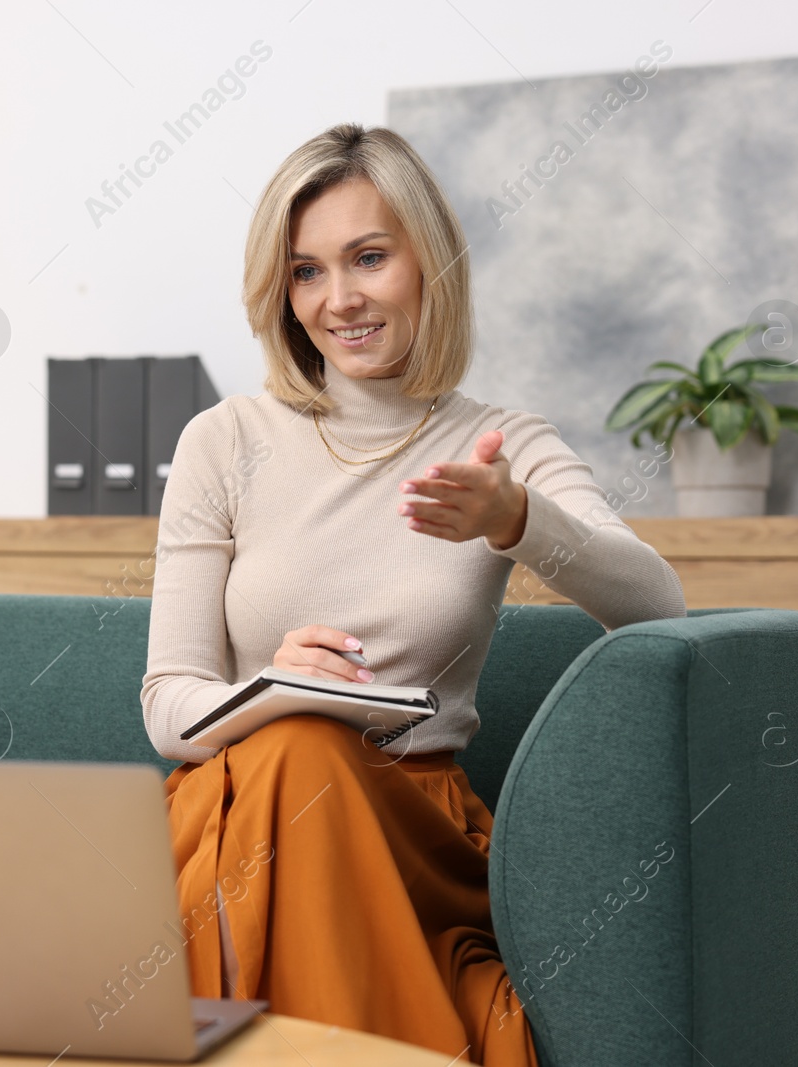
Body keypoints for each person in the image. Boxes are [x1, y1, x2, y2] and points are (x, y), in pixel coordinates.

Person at [139, 122, 687, 1064]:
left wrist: (517, 517)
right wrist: (272, 685)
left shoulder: (500, 442)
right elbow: (168, 708)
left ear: (429, 262)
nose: (338, 299)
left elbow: (657, 608)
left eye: (368, 258)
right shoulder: (221, 440)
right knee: (295, 748)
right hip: (235, 813)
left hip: (410, 834)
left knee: (305, 758)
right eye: (306, 271)